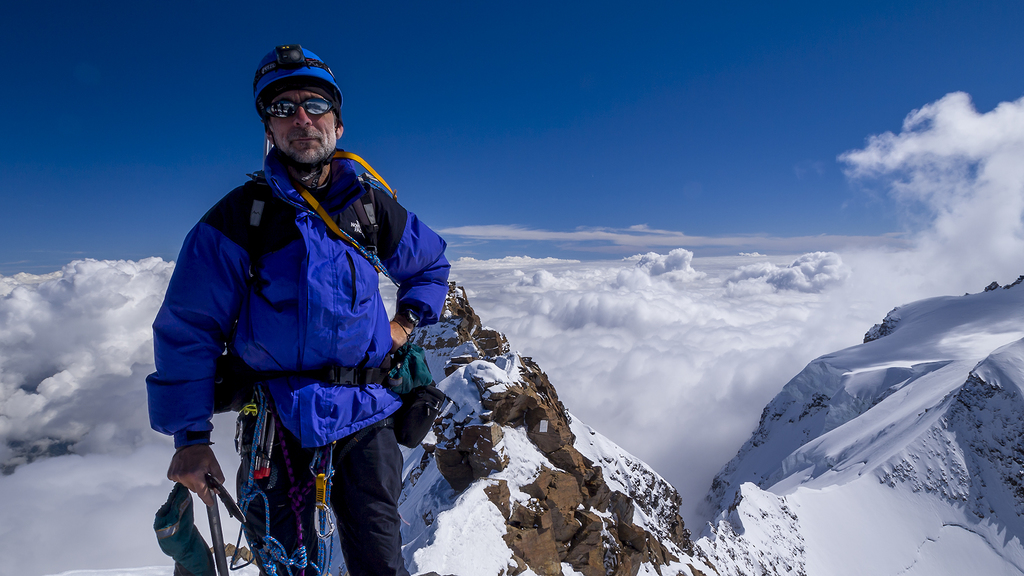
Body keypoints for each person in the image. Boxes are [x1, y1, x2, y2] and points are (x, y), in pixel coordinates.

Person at [147, 44, 450, 576]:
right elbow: (189, 328)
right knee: (288, 567)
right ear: (269, 127)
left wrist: (407, 322)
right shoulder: (242, 218)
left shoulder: (370, 207)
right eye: (282, 108)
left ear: (338, 122)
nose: (301, 119)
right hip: (277, 419)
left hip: (367, 414)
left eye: (314, 104)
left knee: (381, 565)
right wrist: (191, 439)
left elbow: (429, 265)